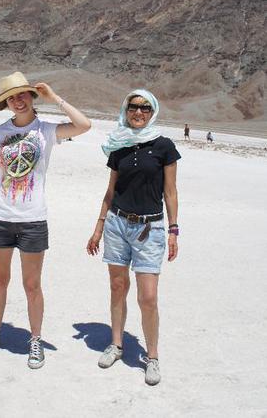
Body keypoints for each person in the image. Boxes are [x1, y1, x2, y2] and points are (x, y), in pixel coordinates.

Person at [0, 71, 91, 368]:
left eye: (23, 94)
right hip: (0, 218)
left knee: (32, 285)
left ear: (32, 96)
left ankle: (35, 339)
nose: (18, 100)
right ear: (6, 103)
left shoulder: (47, 131)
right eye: (12, 97)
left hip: (33, 221)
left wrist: (55, 99)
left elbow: (84, 125)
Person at [87, 88, 180, 386]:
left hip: (149, 229)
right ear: (125, 110)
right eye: (133, 107)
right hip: (117, 224)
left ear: (153, 112)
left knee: (148, 297)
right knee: (117, 286)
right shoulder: (119, 145)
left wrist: (174, 230)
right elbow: (110, 190)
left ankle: (152, 357)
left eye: (144, 108)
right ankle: (116, 344)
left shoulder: (164, 146)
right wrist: (99, 226)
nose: (138, 112)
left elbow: (170, 192)